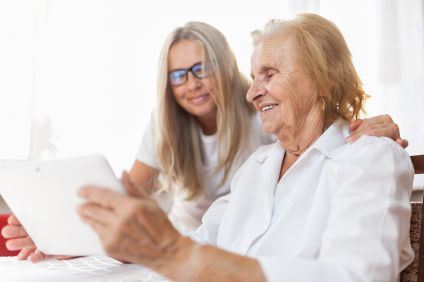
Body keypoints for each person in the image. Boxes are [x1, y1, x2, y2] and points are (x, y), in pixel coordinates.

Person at [2, 19, 408, 264]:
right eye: (178, 75)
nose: (254, 93)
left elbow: (357, 271)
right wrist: (63, 236)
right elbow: (178, 237)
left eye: (269, 74)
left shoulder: (364, 157)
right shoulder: (257, 169)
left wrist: (363, 128)